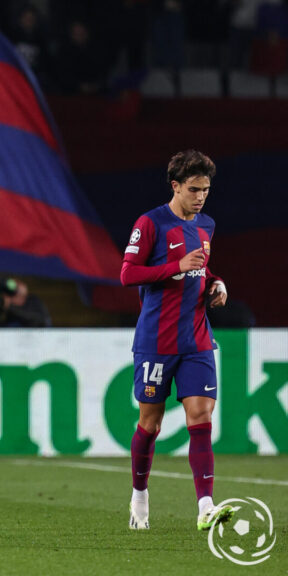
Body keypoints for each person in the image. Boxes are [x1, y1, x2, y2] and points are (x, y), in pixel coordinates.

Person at [120, 150, 233, 532]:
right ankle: (139, 495)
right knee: (149, 425)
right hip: (156, 341)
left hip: (197, 339)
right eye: (193, 189)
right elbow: (127, 274)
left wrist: (214, 282)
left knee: (200, 418)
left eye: (206, 189)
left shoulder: (207, 225)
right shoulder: (150, 223)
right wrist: (175, 268)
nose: (201, 196)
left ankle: (205, 506)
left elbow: (200, 267)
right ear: (175, 186)